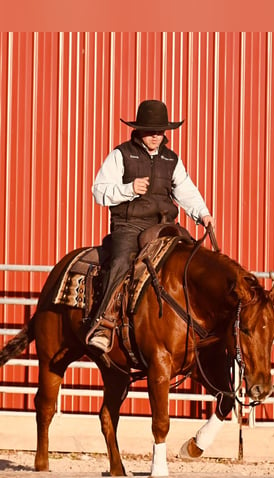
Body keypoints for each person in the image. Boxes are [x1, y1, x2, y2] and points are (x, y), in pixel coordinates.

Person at [86, 99, 214, 352]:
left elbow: (185, 190)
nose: (156, 136)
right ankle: (105, 322)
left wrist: (203, 214)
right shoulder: (121, 154)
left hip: (165, 224)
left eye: (160, 131)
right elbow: (99, 191)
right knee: (121, 261)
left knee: (193, 261)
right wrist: (128, 189)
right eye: (150, 130)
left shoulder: (171, 159)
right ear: (139, 129)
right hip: (129, 224)